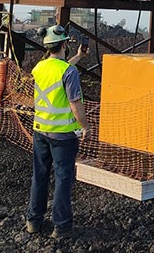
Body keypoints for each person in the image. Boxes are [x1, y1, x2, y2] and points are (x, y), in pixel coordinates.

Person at [25, 24, 90, 238]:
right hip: (63, 136)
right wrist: (85, 126)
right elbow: (75, 103)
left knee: (40, 175)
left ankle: (33, 221)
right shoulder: (68, 72)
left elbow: (59, 71)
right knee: (63, 179)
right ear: (64, 44)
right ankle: (61, 226)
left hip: (40, 131)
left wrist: (79, 57)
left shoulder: (40, 67)